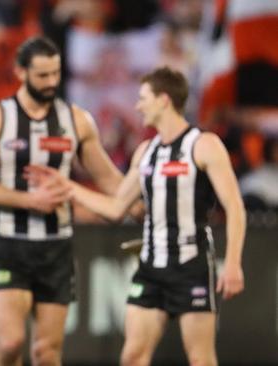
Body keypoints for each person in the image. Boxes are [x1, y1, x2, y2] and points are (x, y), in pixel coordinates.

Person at [27, 66, 246, 366]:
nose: (137, 104)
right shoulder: (146, 152)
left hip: (191, 265)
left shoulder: (204, 145)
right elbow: (117, 208)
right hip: (151, 268)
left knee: (201, 359)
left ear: (164, 100)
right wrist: (69, 189)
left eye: (143, 97)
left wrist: (233, 263)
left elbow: (235, 207)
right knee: (132, 357)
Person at [0, 36, 126, 366]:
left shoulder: (77, 120)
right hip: (11, 244)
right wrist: (30, 201)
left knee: (47, 351)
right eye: (42, 75)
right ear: (20, 72)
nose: (52, 82)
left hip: (57, 248)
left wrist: (140, 200)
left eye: (56, 74)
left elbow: (110, 179)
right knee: (11, 343)